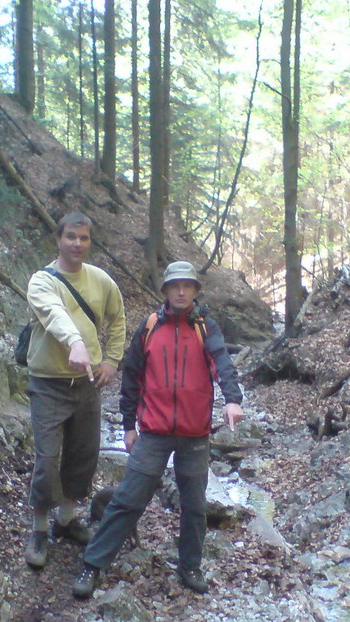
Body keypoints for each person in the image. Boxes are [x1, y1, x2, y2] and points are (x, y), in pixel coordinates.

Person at [72, 261, 243, 598]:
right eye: (175, 285)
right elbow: (131, 376)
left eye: (188, 286)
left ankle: (190, 566)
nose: (181, 291)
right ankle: (92, 565)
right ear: (165, 290)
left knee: (195, 505)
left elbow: (222, 362)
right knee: (128, 499)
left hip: (195, 434)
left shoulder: (205, 327)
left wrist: (232, 399)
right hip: (154, 430)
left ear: (195, 291)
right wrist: (128, 425)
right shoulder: (150, 327)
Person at [23, 212, 126, 569]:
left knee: (83, 455)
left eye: (83, 238)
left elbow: (118, 320)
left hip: (87, 385)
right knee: (47, 459)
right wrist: (76, 343)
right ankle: (39, 528)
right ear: (58, 238)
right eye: (71, 237)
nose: (77, 244)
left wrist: (112, 360)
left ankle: (66, 521)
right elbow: (53, 314)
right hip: (48, 383)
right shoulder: (41, 281)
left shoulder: (100, 281)